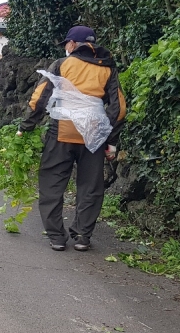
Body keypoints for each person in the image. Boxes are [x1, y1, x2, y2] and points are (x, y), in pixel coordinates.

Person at [19, 25, 127, 252]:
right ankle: (82, 237)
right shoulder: (107, 68)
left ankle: (57, 237)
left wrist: (26, 127)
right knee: (90, 187)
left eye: (66, 43)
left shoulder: (61, 64)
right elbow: (118, 109)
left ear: (72, 44)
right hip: (93, 135)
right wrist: (110, 141)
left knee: (52, 183)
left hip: (62, 131)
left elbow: (40, 98)